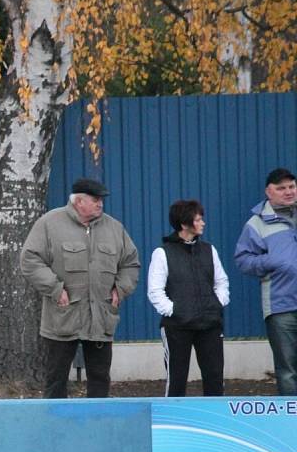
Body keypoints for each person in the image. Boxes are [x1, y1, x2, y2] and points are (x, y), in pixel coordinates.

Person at [19, 178, 140, 398]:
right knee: (56, 379)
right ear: (79, 201)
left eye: (101, 200)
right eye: (95, 199)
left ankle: (96, 422)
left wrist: (120, 290)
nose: (100, 204)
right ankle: (56, 424)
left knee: (100, 378)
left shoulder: (114, 228)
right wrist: (56, 289)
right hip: (62, 316)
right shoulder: (49, 224)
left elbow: (130, 263)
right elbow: (30, 260)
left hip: (101, 316)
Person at [147, 200, 229, 397]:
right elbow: (155, 291)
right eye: (198, 219)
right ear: (184, 225)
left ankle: (216, 423)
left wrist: (217, 303)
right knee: (176, 379)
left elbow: (221, 281)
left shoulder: (210, 250)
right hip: (177, 327)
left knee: (215, 378)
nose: (203, 223)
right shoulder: (162, 253)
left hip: (210, 324)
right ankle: (172, 423)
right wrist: (175, 310)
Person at [235, 167, 297, 396]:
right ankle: (291, 421)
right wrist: (272, 261)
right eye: (281, 188)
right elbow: (243, 260)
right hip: (280, 305)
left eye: (291, 186)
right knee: (287, 368)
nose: (288, 192)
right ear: (268, 192)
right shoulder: (256, 223)